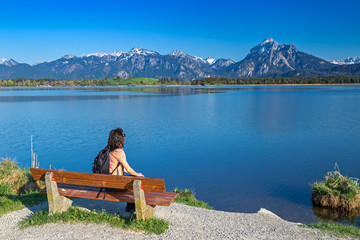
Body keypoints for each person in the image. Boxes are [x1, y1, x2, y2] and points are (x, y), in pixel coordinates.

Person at [107, 128, 144, 211]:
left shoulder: (108, 151)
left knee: (130, 180)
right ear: (121, 139)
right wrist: (138, 174)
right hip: (115, 186)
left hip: (106, 184)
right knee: (135, 181)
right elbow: (128, 169)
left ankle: (130, 206)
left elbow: (120, 168)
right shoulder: (119, 152)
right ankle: (133, 206)